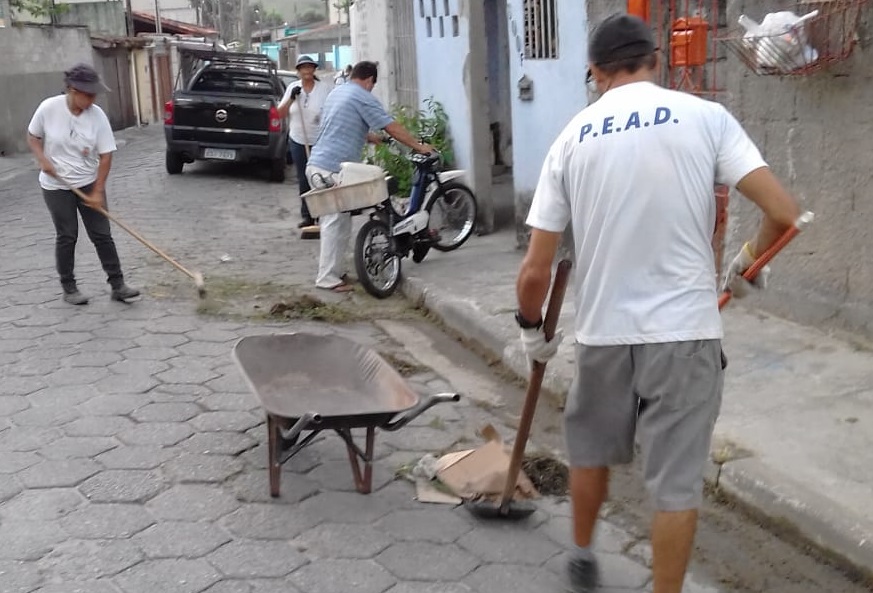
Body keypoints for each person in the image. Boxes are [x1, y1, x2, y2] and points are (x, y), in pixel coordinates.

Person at [515, 14, 800, 593]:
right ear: (655, 60)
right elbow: (784, 215)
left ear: (595, 72)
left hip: (602, 335)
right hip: (686, 334)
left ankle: (582, 556)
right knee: (674, 484)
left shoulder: (572, 138)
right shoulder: (707, 118)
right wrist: (744, 265)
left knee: (591, 451)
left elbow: (535, 271)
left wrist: (530, 330)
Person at [306, 60, 433, 293]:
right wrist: (418, 146)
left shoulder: (338, 92)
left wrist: (371, 138)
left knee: (340, 221)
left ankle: (335, 272)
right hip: (332, 168)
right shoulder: (362, 96)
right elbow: (392, 126)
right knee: (334, 222)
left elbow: (339, 126)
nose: (371, 88)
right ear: (369, 80)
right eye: (372, 85)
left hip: (318, 164)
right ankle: (326, 278)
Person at [26, 63, 140, 306]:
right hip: (56, 185)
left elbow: (106, 155)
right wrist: (42, 158)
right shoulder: (49, 108)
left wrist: (98, 191)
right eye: (87, 94)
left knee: (102, 235)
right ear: (71, 89)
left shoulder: (97, 116)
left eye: (93, 95)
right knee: (67, 235)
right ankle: (69, 287)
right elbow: (33, 136)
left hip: (88, 183)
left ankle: (118, 285)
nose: (91, 100)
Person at [277, 54, 333, 231]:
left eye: (310, 67)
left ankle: (323, 214)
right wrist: (292, 98)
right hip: (298, 140)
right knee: (303, 178)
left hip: (320, 140)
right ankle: (307, 216)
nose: (307, 71)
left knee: (321, 178)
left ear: (314, 69)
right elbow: (280, 113)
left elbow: (332, 110)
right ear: (299, 71)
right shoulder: (293, 88)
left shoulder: (324, 88)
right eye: (303, 68)